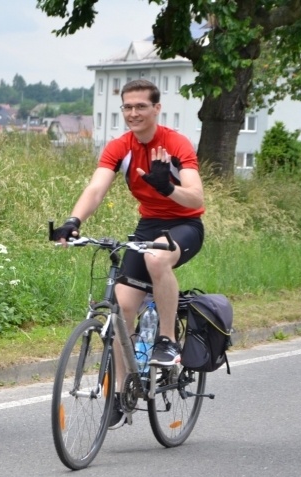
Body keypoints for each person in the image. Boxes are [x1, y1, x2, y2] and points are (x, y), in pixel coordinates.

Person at [52, 79, 205, 429]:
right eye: (128, 107)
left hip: (185, 225)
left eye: (140, 106)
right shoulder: (120, 147)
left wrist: (168, 186)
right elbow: (96, 188)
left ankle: (166, 341)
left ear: (156, 109)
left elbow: (196, 199)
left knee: (156, 258)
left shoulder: (176, 144)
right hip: (149, 226)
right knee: (121, 308)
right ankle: (121, 393)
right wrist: (73, 220)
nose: (133, 113)